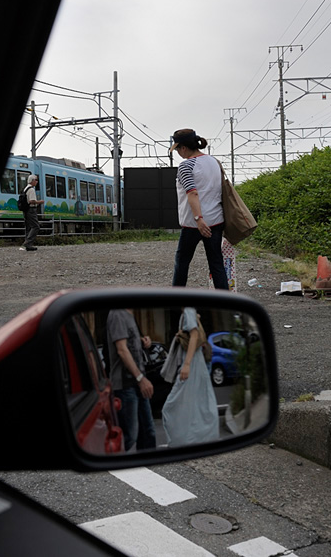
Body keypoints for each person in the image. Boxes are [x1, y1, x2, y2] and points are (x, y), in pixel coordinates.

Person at [169, 128, 229, 290]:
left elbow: (192, 193)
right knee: (216, 263)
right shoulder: (214, 162)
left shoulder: (186, 166)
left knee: (182, 262)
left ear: (183, 147)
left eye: (177, 149)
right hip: (216, 220)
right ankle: (225, 302)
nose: (178, 153)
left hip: (193, 224)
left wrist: (199, 219)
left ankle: (176, 300)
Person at [161, 308, 219, 447]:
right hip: (195, 362)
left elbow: (194, 335)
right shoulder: (188, 312)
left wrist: (187, 364)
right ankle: (192, 440)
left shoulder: (187, 310)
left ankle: (181, 441)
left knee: (170, 406)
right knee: (197, 403)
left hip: (191, 363)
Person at [106, 308, 157, 452]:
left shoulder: (130, 314)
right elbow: (121, 349)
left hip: (137, 382)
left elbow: (127, 344)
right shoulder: (117, 313)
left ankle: (147, 468)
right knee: (129, 436)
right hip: (125, 385)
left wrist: (142, 341)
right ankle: (109, 465)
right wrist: (141, 379)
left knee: (148, 432)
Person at [19, 174, 42, 251]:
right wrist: (40, 202)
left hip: (25, 210)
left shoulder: (25, 188)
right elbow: (32, 201)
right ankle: (27, 243)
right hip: (31, 210)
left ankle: (27, 245)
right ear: (32, 181)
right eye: (36, 180)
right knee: (36, 226)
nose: (37, 182)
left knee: (28, 227)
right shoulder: (31, 189)